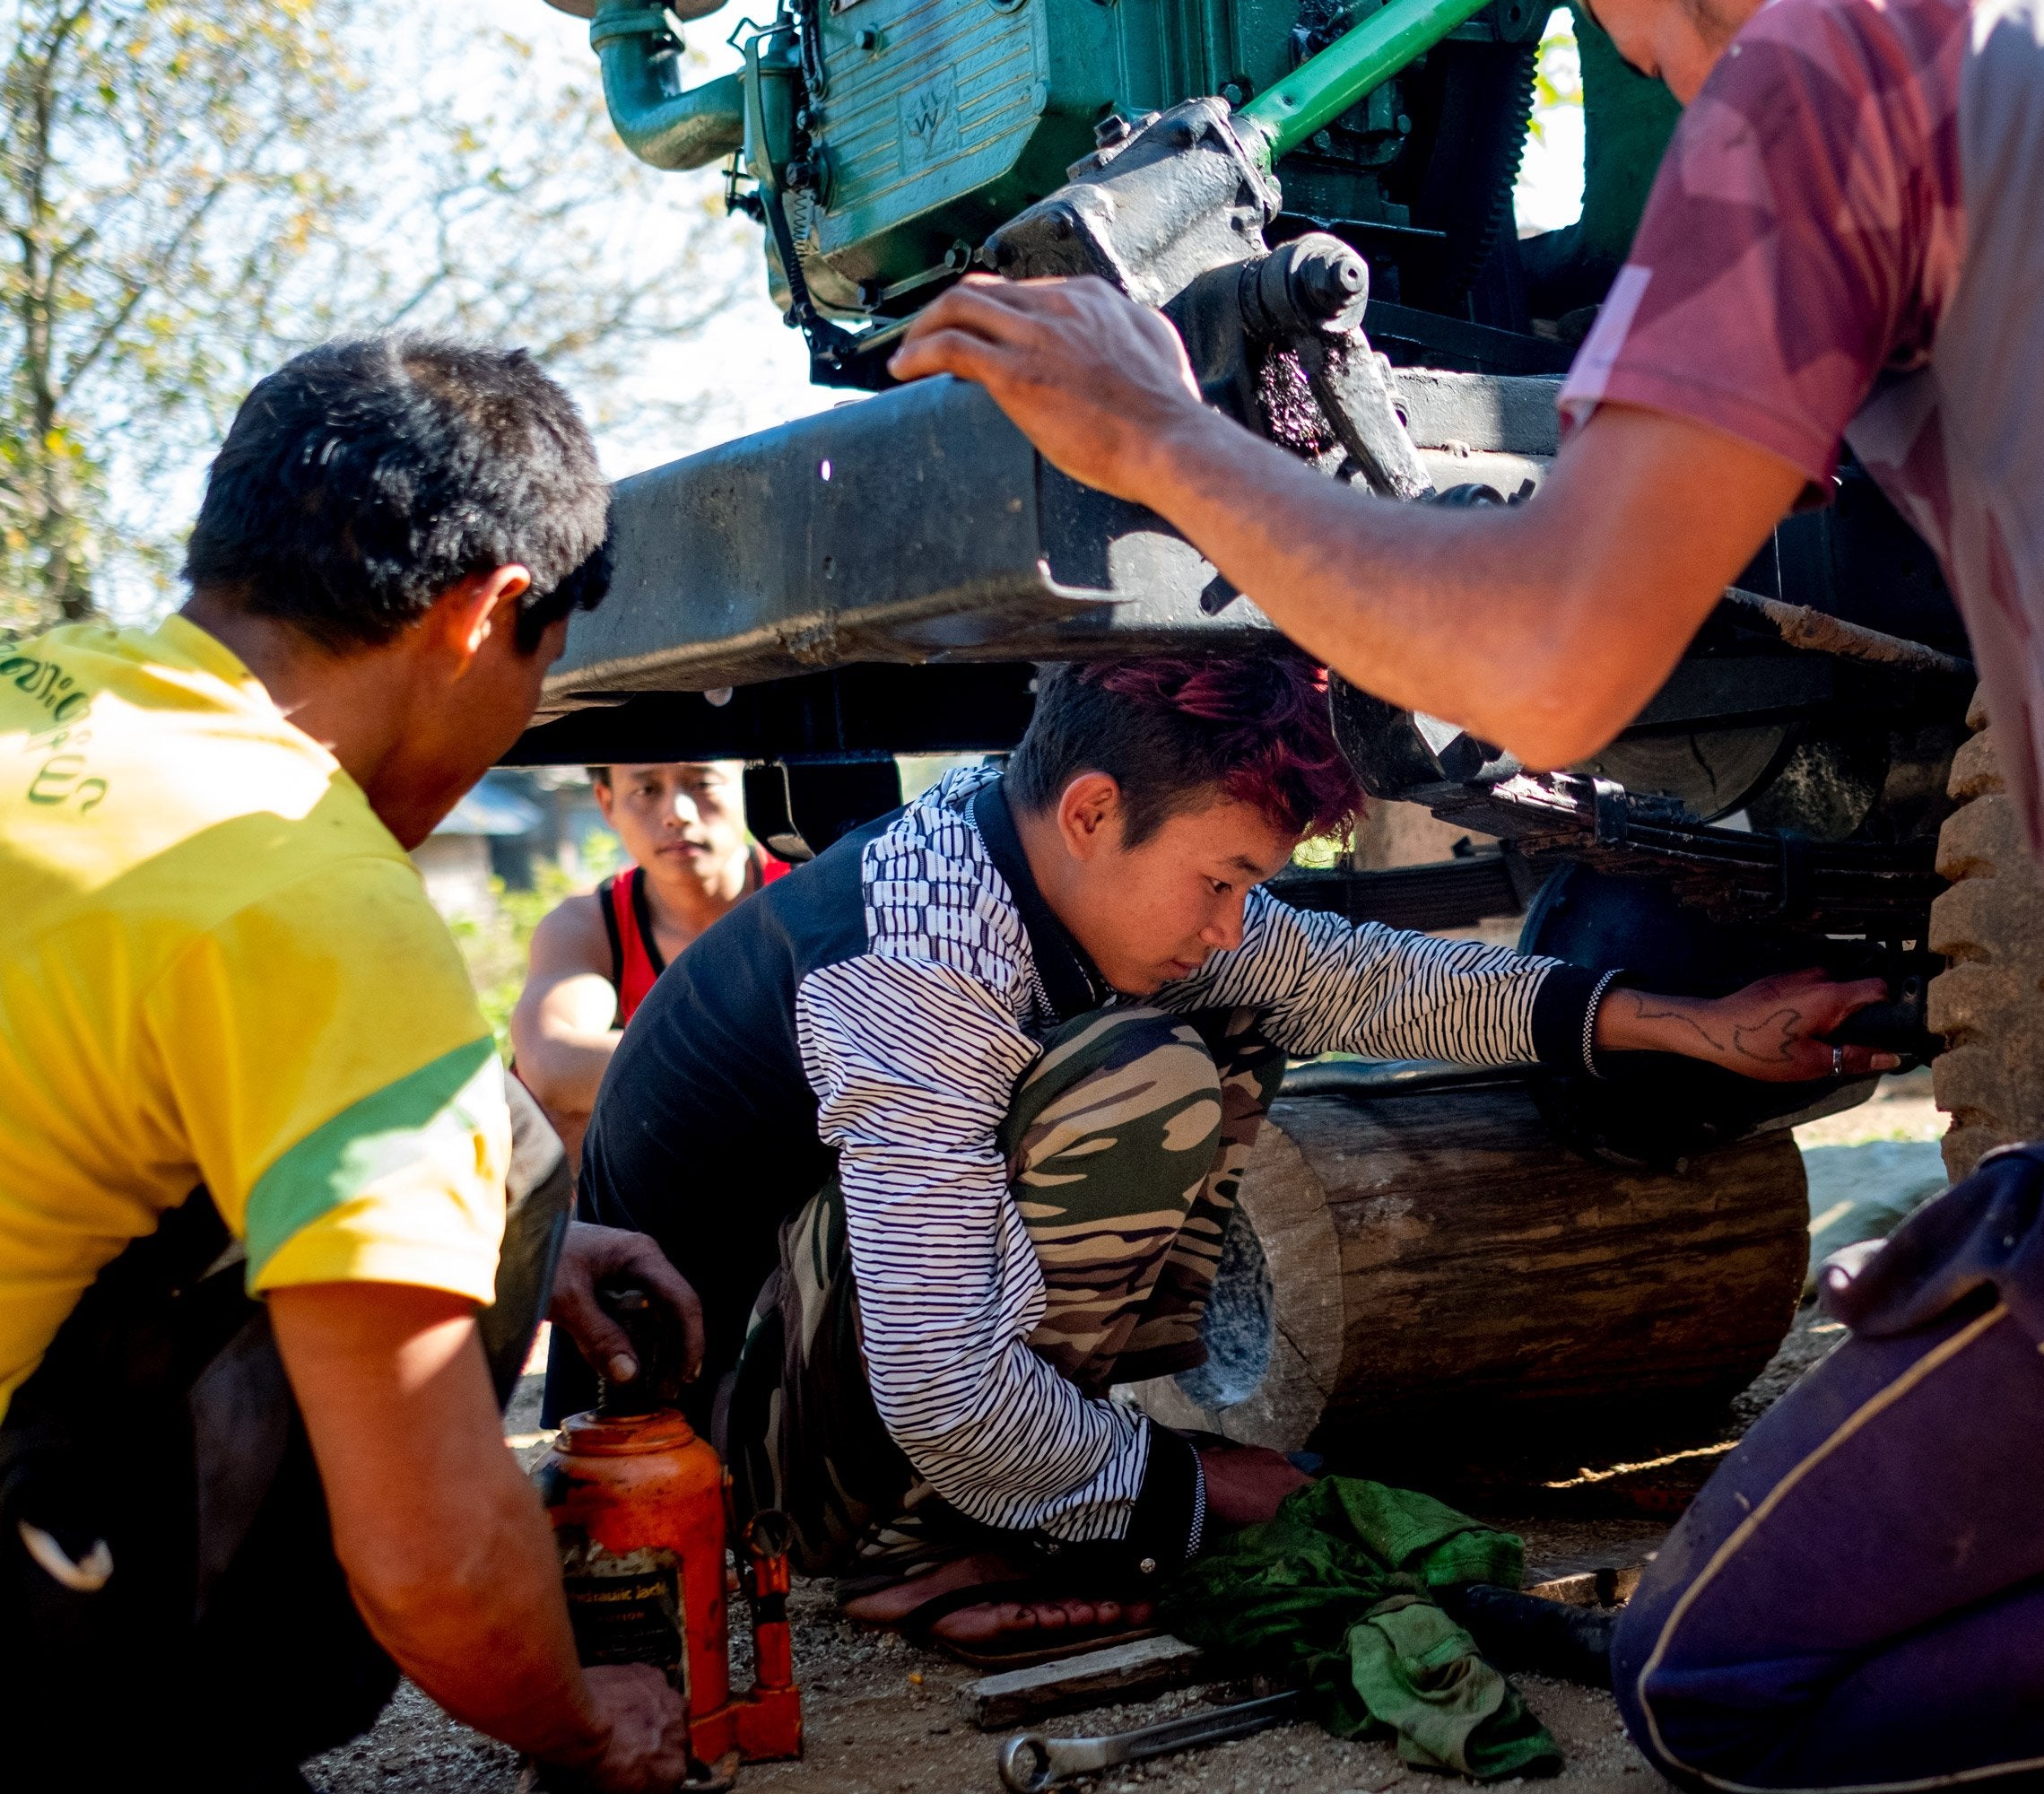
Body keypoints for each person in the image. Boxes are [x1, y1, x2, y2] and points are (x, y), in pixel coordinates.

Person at [887, 0, 2044, 1782]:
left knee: (1727, 1679)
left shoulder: (1837, 68)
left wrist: (1161, 444)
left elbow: (1546, 666)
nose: (1648, 67)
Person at [558, 653, 1897, 1667]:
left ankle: (1011, 1498)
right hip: (711, 1465)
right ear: (1092, 812)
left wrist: (1693, 1027)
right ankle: (906, 1543)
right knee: (1141, 1079)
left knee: (1234, 1008)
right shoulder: (918, 970)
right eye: (1222, 878)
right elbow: (943, 1387)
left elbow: (1351, 979)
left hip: (816, 1385)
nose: (1232, 917)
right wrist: (1196, 1490)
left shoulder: (1025, 849)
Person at [0, 337, 690, 1791]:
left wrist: (429, 1243)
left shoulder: (39, 689)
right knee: (495, 1131)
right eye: (540, 678)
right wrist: (577, 1724)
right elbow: (434, 1561)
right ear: (489, 613)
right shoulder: (308, 893)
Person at [513, 762, 787, 1158]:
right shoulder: (591, 925)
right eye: (646, 790)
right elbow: (552, 1064)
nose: (678, 813)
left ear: (751, 787)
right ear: (606, 803)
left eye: (703, 784)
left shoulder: (805, 898)